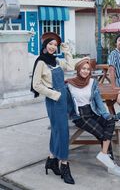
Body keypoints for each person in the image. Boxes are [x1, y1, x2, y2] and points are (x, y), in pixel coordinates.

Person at [67, 57, 120, 177]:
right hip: (80, 116)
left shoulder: (92, 82)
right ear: (78, 69)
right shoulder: (69, 84)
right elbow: (65, 104)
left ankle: (104, 154)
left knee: (110, 121)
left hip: (92, 111)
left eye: (88, 69)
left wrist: (105, 114)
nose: (85, 71)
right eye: (83, 68)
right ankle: (112, 165)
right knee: (101, 133)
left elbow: (98, 101)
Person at [31, 32, 75, 184]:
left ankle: (51, 160)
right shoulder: (41, 62)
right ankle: (64, 164)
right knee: (63, 132)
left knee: (57, 131)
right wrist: (54, 94)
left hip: (63, 99)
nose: (52, 47)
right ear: (45, 45)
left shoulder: (56, 60)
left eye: (55, 45)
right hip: (54, 100)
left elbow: (70, 66)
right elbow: (36, 85)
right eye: (50, 44)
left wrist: (66, 50)